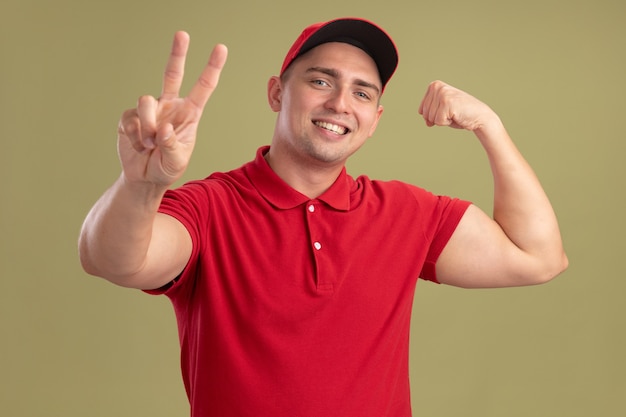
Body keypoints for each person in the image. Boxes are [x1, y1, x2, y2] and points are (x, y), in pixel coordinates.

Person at [79, 17, 568, 417]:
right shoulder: (211, 206)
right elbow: (116, 261)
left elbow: (538, 258)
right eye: (320, 81)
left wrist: (490, 126)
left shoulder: (407, 213)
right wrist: (141, 185)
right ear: (276, 93)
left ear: (375, 120)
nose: (339, 104)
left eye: (361, 92)